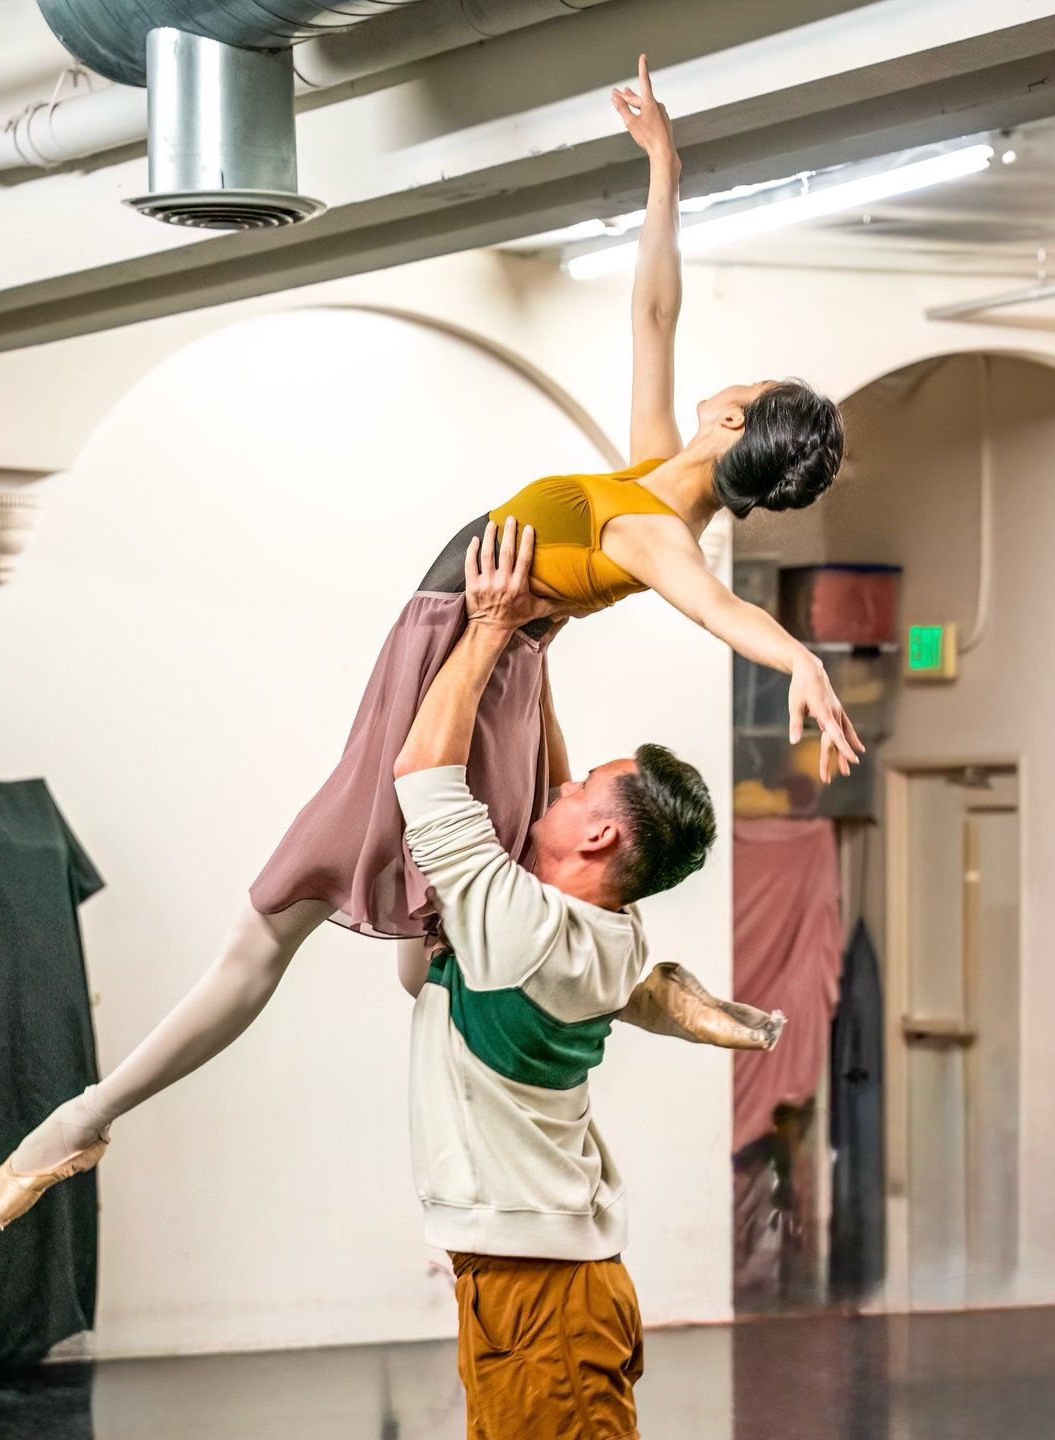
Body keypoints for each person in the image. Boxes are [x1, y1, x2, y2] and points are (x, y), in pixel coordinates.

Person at [0, 54, 851, 1229]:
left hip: (462, 668)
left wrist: (797, 657)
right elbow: (654, 313)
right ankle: (640, 984)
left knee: (276, 927)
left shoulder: (657, 532)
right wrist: (662, 169)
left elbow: (714, 608)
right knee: (427, 953)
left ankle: (84, 1120)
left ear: (736, 417)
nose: (729, 376)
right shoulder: (654, 474)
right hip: (482, 666)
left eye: (749, 381)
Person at [396, 514, 780, 1439]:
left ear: (601, 835)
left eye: (581, 792)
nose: (559, 788)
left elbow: (422, 773)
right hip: (527, 1278)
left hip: (546, 1296)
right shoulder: (601, 927)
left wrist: (493, 628)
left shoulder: (527, 931)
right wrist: (533, 662)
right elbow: (550, 781)